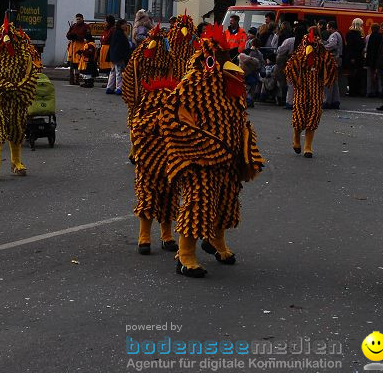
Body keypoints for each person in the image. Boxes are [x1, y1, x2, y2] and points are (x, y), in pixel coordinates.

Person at [159, 23, 264, 277]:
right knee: (199, 202)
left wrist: (245, 141)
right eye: (222, 57)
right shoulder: (194, 82)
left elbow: (239, 114)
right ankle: (185, 254)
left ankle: (216, 240)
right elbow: (172, 116)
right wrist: (198, 142)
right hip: (202, 156)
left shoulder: (231, 81)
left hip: (229, 155)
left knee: (227, 201)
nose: (227, 61)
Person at [125, 24, 178, 254]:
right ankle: (144, 236)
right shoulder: (139, 58)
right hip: (148, 143)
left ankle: (166, 235)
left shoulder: (172, 59)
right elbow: (131, 82)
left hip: (168, 147)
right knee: (147, 190)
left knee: (169, 190)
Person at [0, 15, 41, 180]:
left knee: (17, 129)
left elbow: (30, 74)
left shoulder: (23, 54)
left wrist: (19, 87)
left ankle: (16, 162)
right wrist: (2, 86)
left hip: (17, 98)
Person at [286, 27, 338, 157]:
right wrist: (305, 54)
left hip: (316, 87)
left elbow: (330, 66)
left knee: (313, 115)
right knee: (299, 115)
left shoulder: (322, 50)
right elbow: (291, 65)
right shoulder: (301, 48)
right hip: (301, 87)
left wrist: (321, 55)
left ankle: (308, 146)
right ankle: (296, 138)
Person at [106, 19, 132, 96]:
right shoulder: (120, 34)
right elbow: (122, 46)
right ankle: (119, 88)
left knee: (113, 71)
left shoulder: (116, 32)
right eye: (124, 24)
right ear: (121, 25)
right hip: (119, 56)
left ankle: (110, 87)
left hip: (114, 56)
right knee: (119, 72)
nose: (126, 26)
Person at [322, 20, 343, 108]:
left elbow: (332, 45)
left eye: (327, 27)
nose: (327, 29)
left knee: (328, 80)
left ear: (331, 27)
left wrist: (323, 47)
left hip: (333, 59)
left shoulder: (334, 35)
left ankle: (327, 101)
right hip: (337, 59)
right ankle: (335, 100)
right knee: (334, 81)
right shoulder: (338, 34)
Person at [65, 14, 90, 85]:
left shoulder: (86, 26)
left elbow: (87, 37)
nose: (78, 20)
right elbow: (68, 34)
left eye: (79, 19)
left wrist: (78, 37)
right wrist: (70, 36)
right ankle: (73, 79)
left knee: (79, 63)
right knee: (73, 64)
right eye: (77, 19)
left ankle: (78, 78)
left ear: (82, 18)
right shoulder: (73, 26)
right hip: (73, 47)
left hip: (81, 46)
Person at [343, 18, 365, 97]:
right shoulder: (352, 34)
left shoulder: (354, 33)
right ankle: (353, 90)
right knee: (353, 74)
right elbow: (350, 47)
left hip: (357, 56)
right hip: (355, 57)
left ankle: (355, 90)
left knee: (356, 74)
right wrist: (352, 57)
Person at [364, 23, 381, 97]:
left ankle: (369, 91)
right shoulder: (380, 37)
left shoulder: (370, 36)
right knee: (379, 76)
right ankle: (379, 90)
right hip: (377, 58)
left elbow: (368, 48)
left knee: (369, 76)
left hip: (370, 58)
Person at [100, 15, 116, 88]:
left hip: (109, 48)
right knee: (106, 67)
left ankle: (112, 83)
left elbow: (106, 39)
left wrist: (103, 39)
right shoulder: (106, 29)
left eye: (105, 21)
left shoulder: (112, 30)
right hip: (104, 48)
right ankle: (109, 82)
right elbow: (102, 38)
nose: (104, 23)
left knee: (110, 67)